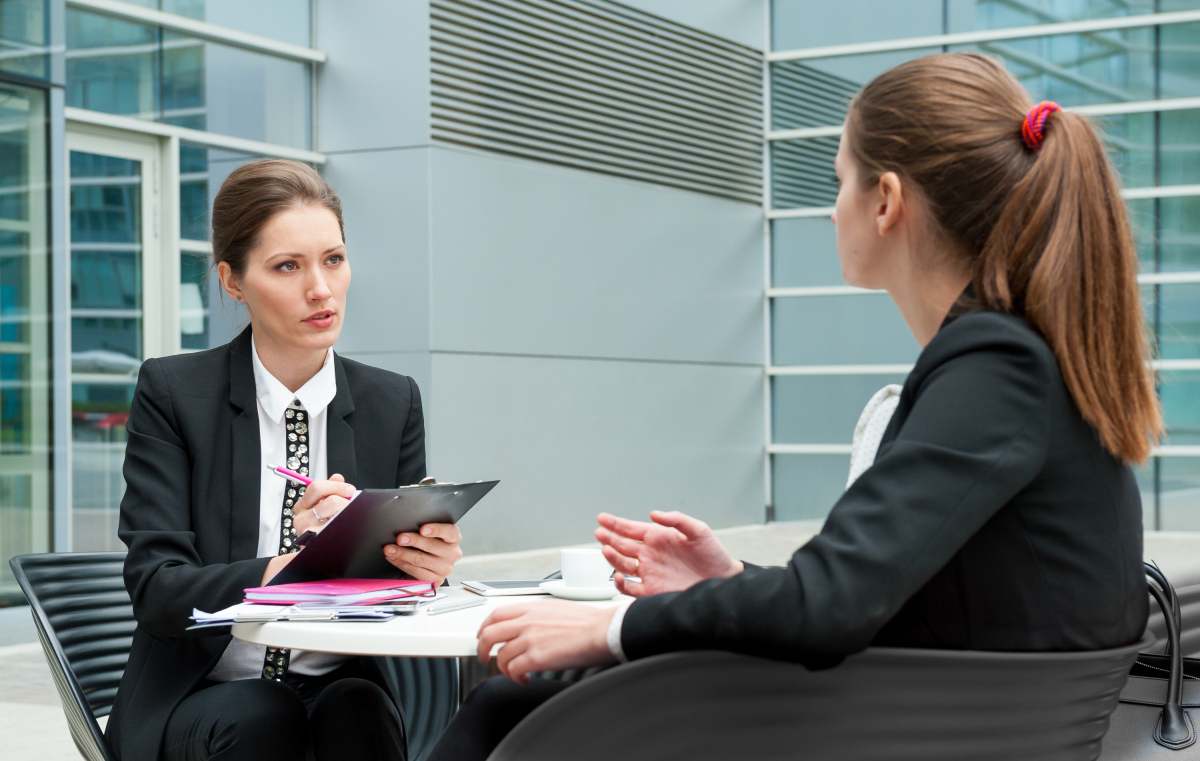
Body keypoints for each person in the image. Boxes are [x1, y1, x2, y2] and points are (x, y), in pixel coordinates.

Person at [425, 52, 1160, 761]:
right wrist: (731, 583)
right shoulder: (1023, 360)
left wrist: (608, 625)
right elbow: (884, 592)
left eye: (838, 180)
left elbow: (831, 605)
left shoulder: (996, 367)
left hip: (900, 730)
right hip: (938, 718)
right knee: (521, 701)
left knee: (514, 698)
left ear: (886, 201)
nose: (830, 210)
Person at [105, 160, 464, 761]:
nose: (320, 289)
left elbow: (395, 592)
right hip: (205, 691)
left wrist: (424, 567)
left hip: (339, 682)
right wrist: (291, 568)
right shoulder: (174, 393)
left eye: (333, 259)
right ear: (233, 281)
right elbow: (158, 590)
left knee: (359, 706)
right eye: (287, 267)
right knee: (263, 711)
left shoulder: (391, 401)